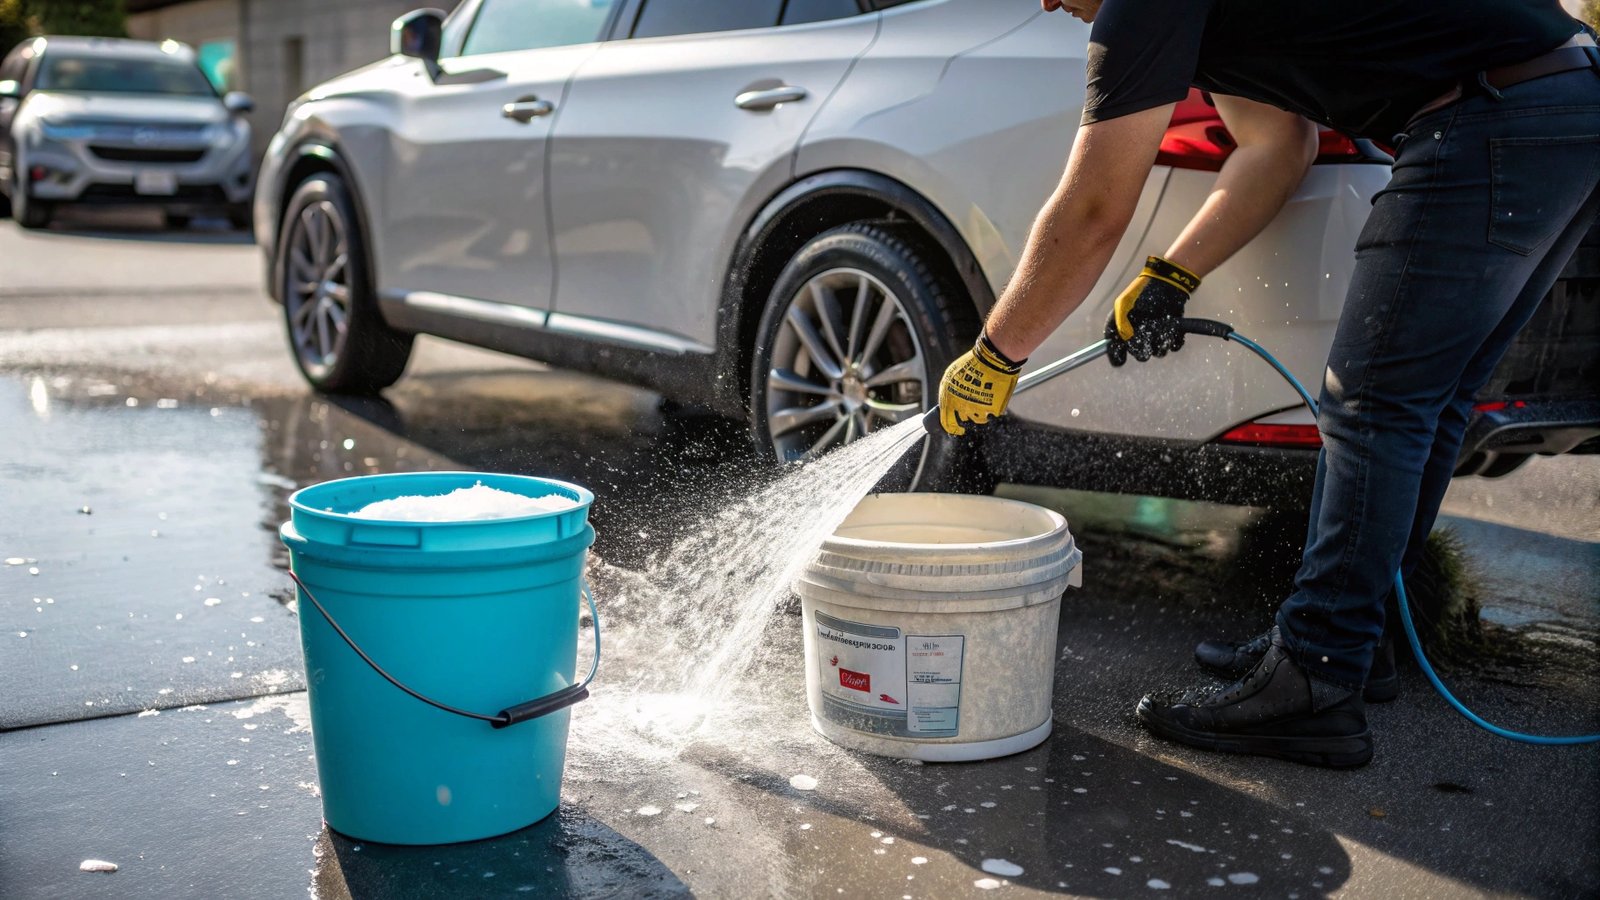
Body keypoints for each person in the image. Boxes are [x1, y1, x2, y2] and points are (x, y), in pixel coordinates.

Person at [936, 0, 1599, 768]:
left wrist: (996, 353)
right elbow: (1279, 142)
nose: (1047, 3)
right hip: (1556, 100)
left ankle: (1315, 678)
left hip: (1498, 114)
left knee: (1374, 406)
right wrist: (1172, 272)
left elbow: (1092, 209)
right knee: (1428, 401)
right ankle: (1360, 635)